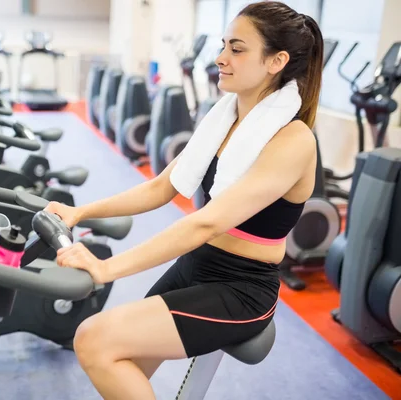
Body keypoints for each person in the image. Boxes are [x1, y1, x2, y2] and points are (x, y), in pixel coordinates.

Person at [45, 1, 323, 398]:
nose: (221, 58)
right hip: (198, 265)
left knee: (94, 338)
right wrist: (81, 212)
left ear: (276, 61)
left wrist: (107, 269)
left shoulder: (292, 140)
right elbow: (162, 187)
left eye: (237, 49)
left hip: (242, 287)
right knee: (119, 365)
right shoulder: (224, 120)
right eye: (224, 45)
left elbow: (206, 222)